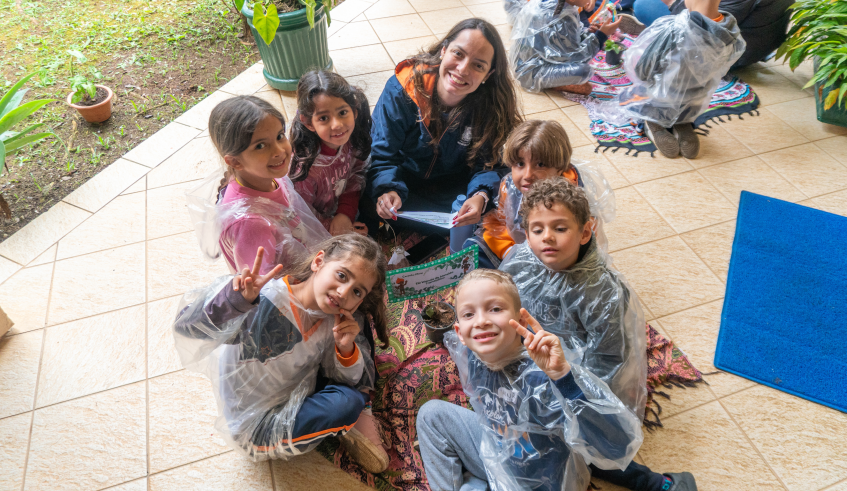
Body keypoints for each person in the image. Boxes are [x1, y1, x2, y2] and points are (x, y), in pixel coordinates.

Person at [499, 178, 698, 490]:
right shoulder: (519, 262)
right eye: (537, 229)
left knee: (584, 444)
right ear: (527, 233)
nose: (547, 237)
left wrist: (564, 392)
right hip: (533, 363)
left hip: (578, 382)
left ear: (585, 232)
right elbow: (503, 306)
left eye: (560, 228)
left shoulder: (603, 292)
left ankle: (656, 483)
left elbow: (609, 365)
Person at [173, 235, 391, 473]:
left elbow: (348, 379)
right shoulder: (263, 299)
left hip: (291, 393)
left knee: (356, 328)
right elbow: (187, 327)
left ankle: (355, 416)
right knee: (349, 403)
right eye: (342, 275)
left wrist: (346, 349)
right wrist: (236, 302)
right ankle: (352, 420)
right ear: (318, 262)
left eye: (357, 292)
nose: (343, 292)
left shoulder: (332, 321)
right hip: (256, 429)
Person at [416, 269, 648, 491]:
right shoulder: (472, 356)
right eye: (469, 314)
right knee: (431, 414)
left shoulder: (543, 375)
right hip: (496, 453)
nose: (481, 321)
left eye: (495, 309)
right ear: (459, 333)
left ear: (521, 321)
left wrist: (562, 377)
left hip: (540, 480)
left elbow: (616, 445)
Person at [363, 18, 522, 249]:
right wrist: (388, 189)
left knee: (498, 209)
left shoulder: (491, 107)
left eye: (478, 65)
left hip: (454, 191)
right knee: (369, 201)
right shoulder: (402, 89)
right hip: (405, 185)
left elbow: (487, 165)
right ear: (444, 50)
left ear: (489, 74)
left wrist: (479, 197)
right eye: (458, 54)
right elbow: (382, 153)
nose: (462, 69)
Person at [192, 95, 330, 275]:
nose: (279, 151)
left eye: (280, 136)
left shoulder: (268, 177)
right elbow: (264, 289)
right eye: (260, 146)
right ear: (235, 162)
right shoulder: (250, 224)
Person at [463, 119, 615, 268]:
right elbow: (499, 222)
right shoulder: (509, 187)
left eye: (540, 164)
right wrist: (509, 252)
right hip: (518, 253)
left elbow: (581, 246)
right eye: (520, 164)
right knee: (472, 253)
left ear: (560, 168)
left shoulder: (572, 201)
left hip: (557, 259)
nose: (528, 175)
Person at [603, 0, 745, 158]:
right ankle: (670, 121)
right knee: (693, 89)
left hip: (664, 96)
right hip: (691, 98)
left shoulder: (675, 31)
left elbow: (644, 69)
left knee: (664, 86)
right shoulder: (730, 34)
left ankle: (665, 121)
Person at [289, 70, 371, 236]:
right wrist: (334, 228)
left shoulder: (353, 141)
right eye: (324, 118)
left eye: (342, 113)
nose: (337, 125)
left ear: (354, 111)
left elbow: (356, 175)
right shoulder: (304, 166)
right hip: (316, 230)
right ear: (308, 123)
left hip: (341, 215)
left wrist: (345, 214)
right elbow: (302, 213)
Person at [632, 0, 791, 69]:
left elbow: (697, 26)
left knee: (642, 4)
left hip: (732, 56)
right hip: (762, 43)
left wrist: (671, 3)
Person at [507, 0, 622, 93]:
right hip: (532, 74)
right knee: (584, 71)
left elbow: (563, 42)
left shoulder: (551, 5)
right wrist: (601, 35)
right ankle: (554, 84)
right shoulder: (564, 17)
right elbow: (577, 58)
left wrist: (587, 33)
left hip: (522, 62)